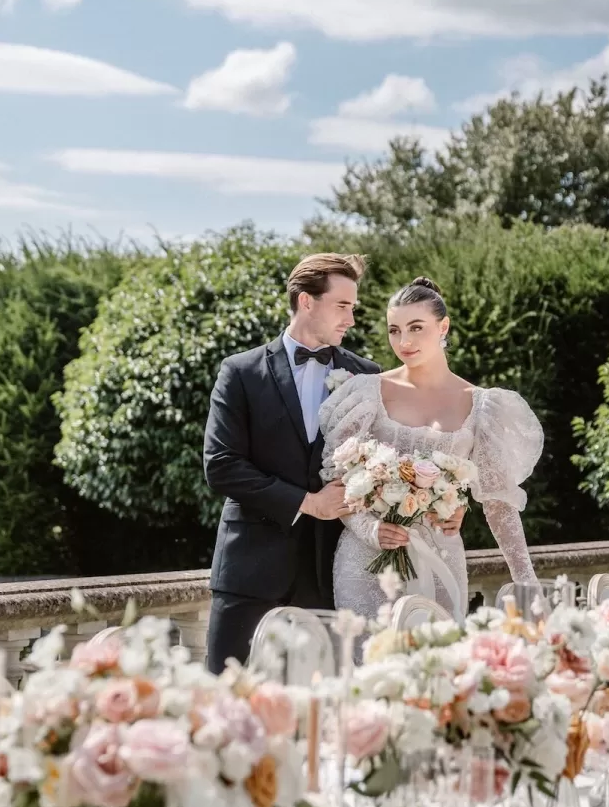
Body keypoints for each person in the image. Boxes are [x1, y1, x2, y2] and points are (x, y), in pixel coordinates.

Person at [319, 276, 543, 621]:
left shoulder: (483, 406)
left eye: (416, 328)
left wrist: (526, 580)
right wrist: (371, 530)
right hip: (366, 561)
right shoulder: (365, 393)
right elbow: (337, 482)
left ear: (444, 327)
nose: (404, 341)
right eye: (394, 330)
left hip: (442, 559)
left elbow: (498, 503)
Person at [203, 252, 380, 672]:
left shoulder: (367, 376)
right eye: (342, 306)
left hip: (329, 577)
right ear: (306, 301)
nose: (351, 319)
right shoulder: (241, 372)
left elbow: (384, 463)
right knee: (226, 706)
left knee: (317, 715)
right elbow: (221, 464)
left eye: (353, 308)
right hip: (249, 572)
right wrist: (307, 502)